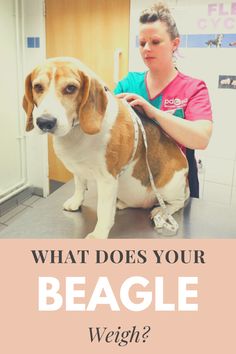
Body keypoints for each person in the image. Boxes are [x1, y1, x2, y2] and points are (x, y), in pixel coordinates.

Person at [114, 2, 213, 198]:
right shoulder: (128, 83)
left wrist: (152, 111)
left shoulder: (193, 88)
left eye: (155, 42)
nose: (146, 49)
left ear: (175, 44)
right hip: (131, 186)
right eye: (142, 43)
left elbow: (201, 139)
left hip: (172, 187)